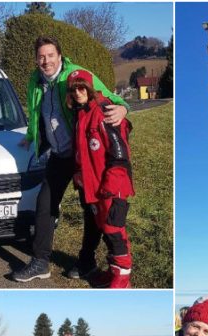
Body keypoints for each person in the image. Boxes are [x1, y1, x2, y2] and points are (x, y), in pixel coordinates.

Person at [13, 36, 130, 282]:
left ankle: (87, 262)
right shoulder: (35, 80)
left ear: (60, 56)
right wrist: (31, 136)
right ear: (36, 59)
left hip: (82, 156)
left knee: (91, 209)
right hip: (57, 154)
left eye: (50, 55)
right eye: (41, 57)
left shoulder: (76, 75)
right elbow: (37, 112)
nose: (46, 61)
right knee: (45, 204)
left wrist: (123, 109)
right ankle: (40, 262)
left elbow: (108, 97)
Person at [64, 69, 136, 288]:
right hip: (93, 188)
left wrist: (111, 187)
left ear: (90, 88)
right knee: (105, 231)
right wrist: (80, 178)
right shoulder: (81, 115)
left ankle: (122, 280)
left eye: (82, 87)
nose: (78, 93)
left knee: (115, 232)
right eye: (73, 89)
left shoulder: (105, 111)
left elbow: (120, 154)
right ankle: (114, 272)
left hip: (111, 187)